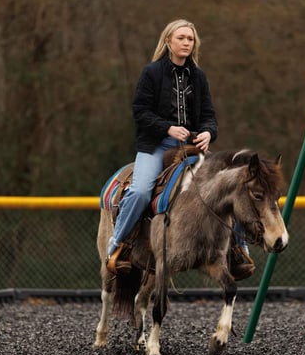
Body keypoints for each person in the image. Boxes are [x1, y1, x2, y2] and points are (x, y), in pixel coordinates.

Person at [106, 19, 254, 279]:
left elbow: (209, 115)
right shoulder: (151, 73)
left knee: (232, 183)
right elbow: (140, 112)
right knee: (140, 192)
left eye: (190, 39)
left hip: (191, 149)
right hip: (156, 145)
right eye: (181, 38)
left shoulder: (198, 76)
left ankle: (239, 250)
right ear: (168, 41)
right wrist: (167, 129)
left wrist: (209, 132)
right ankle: (117, 247)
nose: (187, 42)